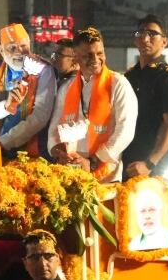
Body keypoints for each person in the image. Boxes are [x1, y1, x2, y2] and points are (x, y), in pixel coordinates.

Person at [48, 27, 138, 182]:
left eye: (99, 53)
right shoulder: (67, 88)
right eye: (88, 55)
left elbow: (125, 131)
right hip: (72, 176)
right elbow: (55, 127)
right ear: (75, 57)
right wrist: (58, 151)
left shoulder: (118, 84)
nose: (96, 60)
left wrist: (93, 161)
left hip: (106, 177)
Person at [0, 23, 57, 159]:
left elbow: (40, 117)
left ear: (30, 45)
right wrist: (6, 106)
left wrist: (3, 143)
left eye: (23, 46)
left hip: (34, 152)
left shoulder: (43, 70)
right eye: (12, 47)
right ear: (1, 50)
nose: (19, 52)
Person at [123, 14, 168, 179]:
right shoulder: (129, 76)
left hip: (152, 166)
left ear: (164, 41)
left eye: (152, 33)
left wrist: (150, 163)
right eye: (141, 33)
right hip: (126, 159)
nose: (145, 38)